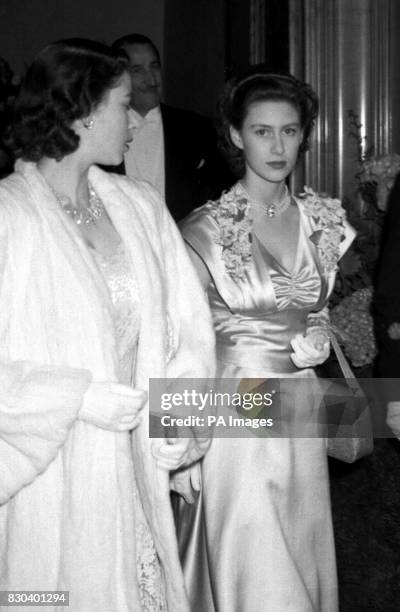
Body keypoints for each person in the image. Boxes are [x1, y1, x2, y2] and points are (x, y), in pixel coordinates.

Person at [0, 39, 215, 611]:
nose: (135, 119)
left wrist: (181, 423)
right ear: (85, 110)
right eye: (124, 104)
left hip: (136, 475)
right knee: (47, 596)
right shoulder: (10, 216)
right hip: (51, 479)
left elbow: (187, 330)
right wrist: (75, 399)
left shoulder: (139, 206)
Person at [177, 72, 355, 611]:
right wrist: (182, 444)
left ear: (304, 135)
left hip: (300, 409)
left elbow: (314, 308)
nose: (278, 147)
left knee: (300, 550)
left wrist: (319, 335)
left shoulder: (322, 220)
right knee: (257, 566)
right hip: (236, 411)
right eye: (261, 131)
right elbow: (181, 340)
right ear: (235, 136)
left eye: (290, 131)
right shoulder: (205, 230)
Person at [105, 33, 233, 221]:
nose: (151, 79)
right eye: (137, 70)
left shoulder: (198, 128)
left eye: (154, 66)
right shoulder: (103, 133)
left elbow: (222, 194)